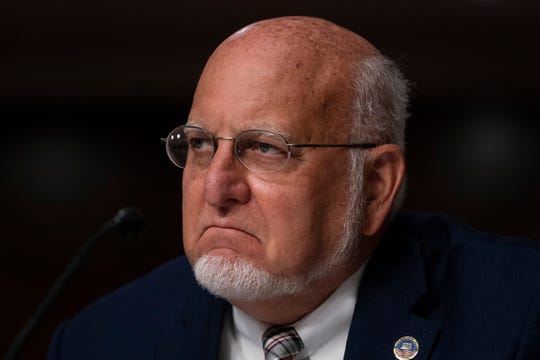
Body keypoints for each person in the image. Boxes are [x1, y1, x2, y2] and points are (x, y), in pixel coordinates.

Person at [48, 16, 540, 360]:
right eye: (199, 145)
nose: (217, 188)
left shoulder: (519, 312)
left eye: (264, 148)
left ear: (374, 185)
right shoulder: (98, 342)